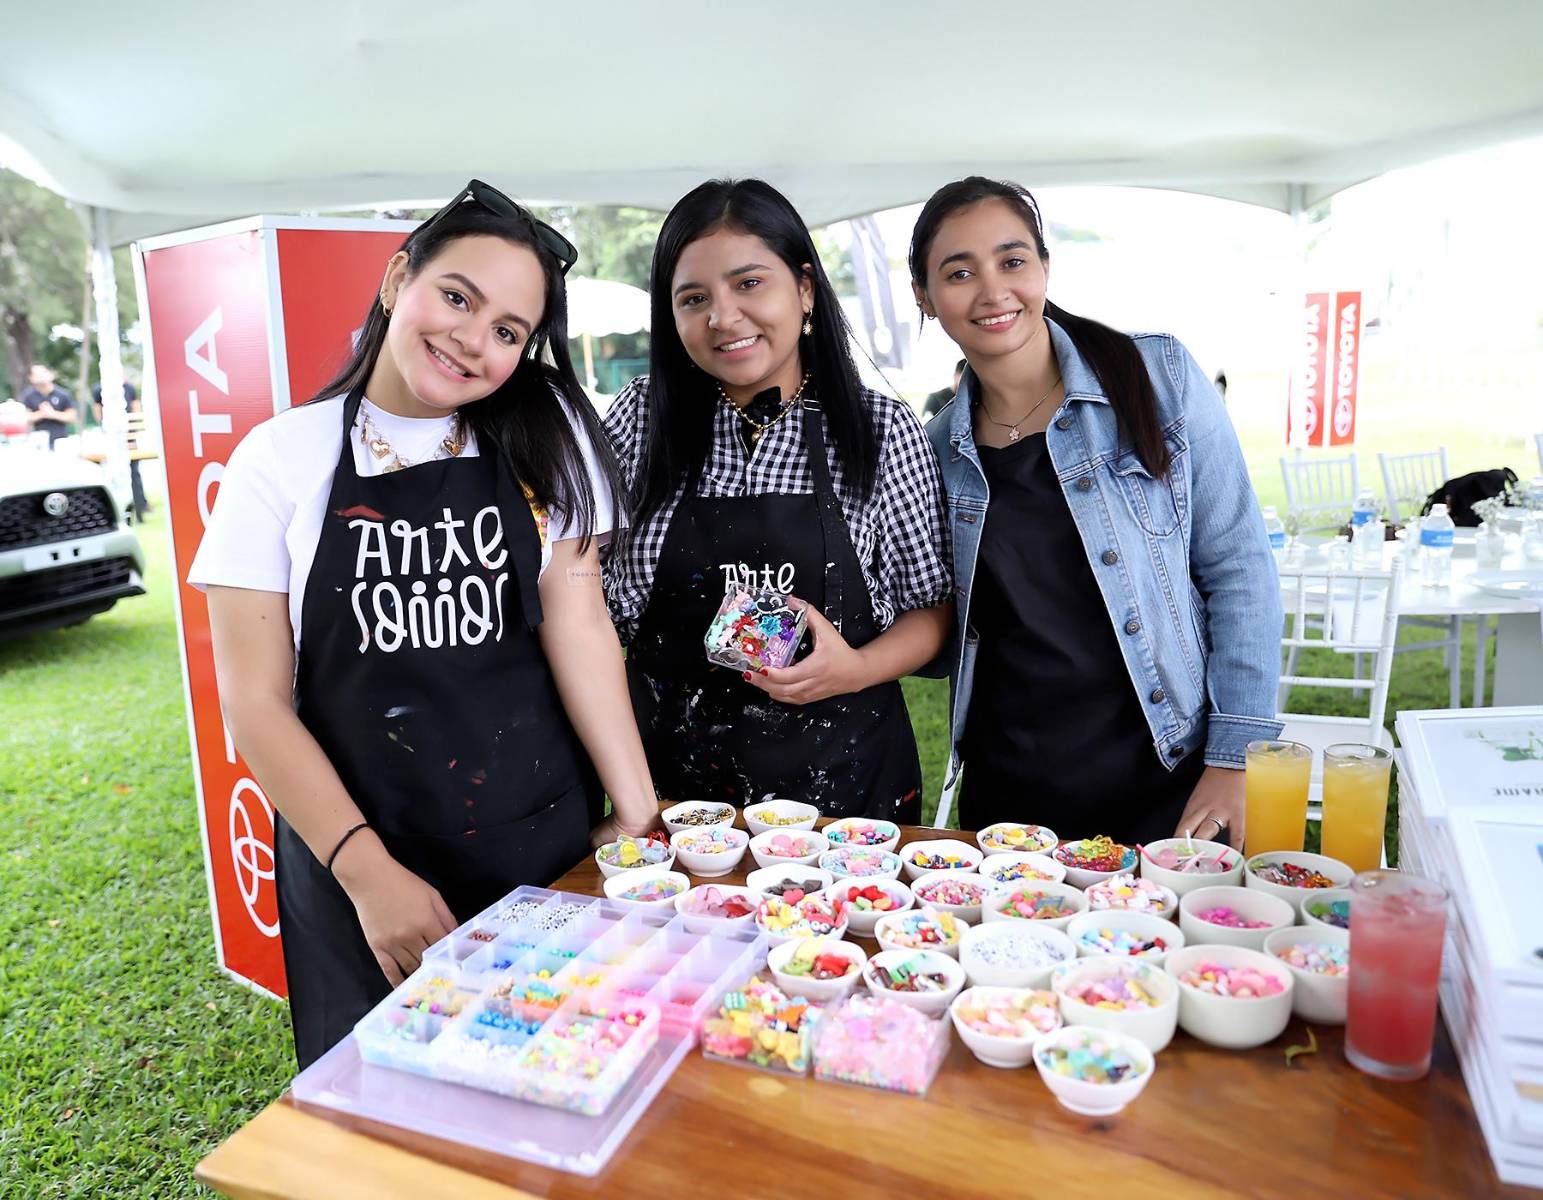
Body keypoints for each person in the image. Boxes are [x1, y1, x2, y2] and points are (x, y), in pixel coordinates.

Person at [190, 180, 660, 1069]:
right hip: (360, 859)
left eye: (508, 332)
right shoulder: (281, 456)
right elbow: (254, 704)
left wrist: (636, 811)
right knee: (391, 1122)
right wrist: (369, 877)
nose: (470, 341)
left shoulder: (548, 434)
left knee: (555, 1086)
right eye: (456, 297)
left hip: (537, 845)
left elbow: (581, 626)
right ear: (397, 278)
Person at [910, 177, 1282, 847]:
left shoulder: (1155, 375)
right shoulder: (934, 451)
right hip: (1013, 793)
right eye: (958, 272)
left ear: (1044, 268)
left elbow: (1238, 566)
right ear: (925, 296)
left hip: (1169, 777)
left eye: (1012, 260)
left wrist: (1235, 755)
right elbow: (937, 633)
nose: (992, 290)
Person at [604, 178, 952, 822]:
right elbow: (587, 610)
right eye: (693, 298)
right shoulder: (637, 422)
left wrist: (853, 668)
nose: (723, 317)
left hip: (845, 796)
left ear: (805, 288)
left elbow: (930, 612)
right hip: (675, 800)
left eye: (748, 283)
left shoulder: (879, 429)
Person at [93, 379, 150, 518]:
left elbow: (135, 406)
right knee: (112, 470)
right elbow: (97, 410)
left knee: (134, 470)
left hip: (129, 433)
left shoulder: (128, 386)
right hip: (111, 434)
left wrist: (134, 429)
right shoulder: (99, 387)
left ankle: (140, 503)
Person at [20, 364, 79, 447]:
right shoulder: (28, 396)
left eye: (42, 373)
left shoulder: (63, 394)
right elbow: (25, 418)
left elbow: (72, 417)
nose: (40, 377)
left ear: (50, 374)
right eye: (36, 375)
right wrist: (41, 413)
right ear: (31, 378)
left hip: (60, 440)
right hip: (39, 441)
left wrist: (53, 414)